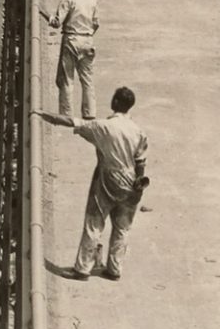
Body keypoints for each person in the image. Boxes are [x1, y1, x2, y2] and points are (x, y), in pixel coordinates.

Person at [39, 87, 150, 281]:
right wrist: (138, 185)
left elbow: (71, 122)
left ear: (114, 102)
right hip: (131, 181)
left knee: (94, 222)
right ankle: (114, 269)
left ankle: (82, 268)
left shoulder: (103, 127)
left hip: (107, 178)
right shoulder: (138, 131)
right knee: (122, 227)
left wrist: (43, 114)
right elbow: (141, 161)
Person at [48, 0, 99, 120]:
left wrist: (50, 18)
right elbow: (96, 23)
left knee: (66, 79)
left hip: (71, 39)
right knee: (87, 79)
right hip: (88, 39)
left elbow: (57, 22)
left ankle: (66, 115)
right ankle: (89, 114)